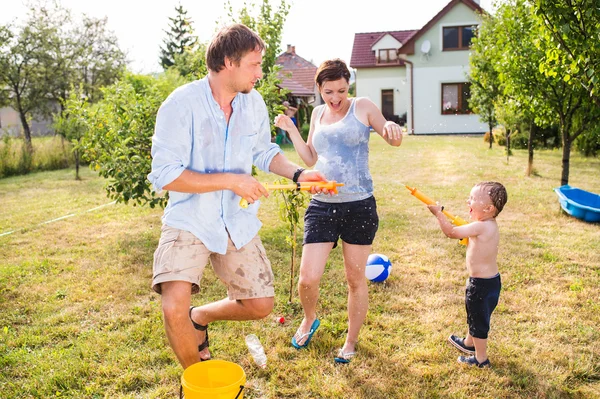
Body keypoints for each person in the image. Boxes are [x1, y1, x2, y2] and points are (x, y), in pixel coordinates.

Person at [148, 23, 328, 369]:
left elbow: (264, 152)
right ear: (229, 62)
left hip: (235, 219)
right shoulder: (180, 104)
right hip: (190, 219)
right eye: (254, 64)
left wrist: (299, 174)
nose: (260, 73)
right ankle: (198, 381)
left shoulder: (252, 103)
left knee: (260, 304)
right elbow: (167, 175)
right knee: (173, 307)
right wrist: (231, 180)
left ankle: (199, 316)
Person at [274, 58, 403, 363]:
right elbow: (309, 159)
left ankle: (351, 341)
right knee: (307, 277)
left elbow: (387, 133)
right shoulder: (318, 113)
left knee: (355, 280)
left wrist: (391, 127)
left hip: (359, 205)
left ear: (349, 86)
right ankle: (308, 319)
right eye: (328, 92)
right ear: (319, 89)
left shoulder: (363, 106)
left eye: (341, 91)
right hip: (321, 205)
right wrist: (292, 129)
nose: (335, 98)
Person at [427, 181, 508, 368]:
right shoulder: (488, 224)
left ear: (488, 208)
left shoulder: (480, 227)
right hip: (491, 282)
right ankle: (469, 343)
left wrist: (439, 213)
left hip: (480, 285)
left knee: (478, 321)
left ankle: (481, 359)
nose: (467, 201)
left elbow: (451, 232)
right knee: (475, 315)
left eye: (472, 199)